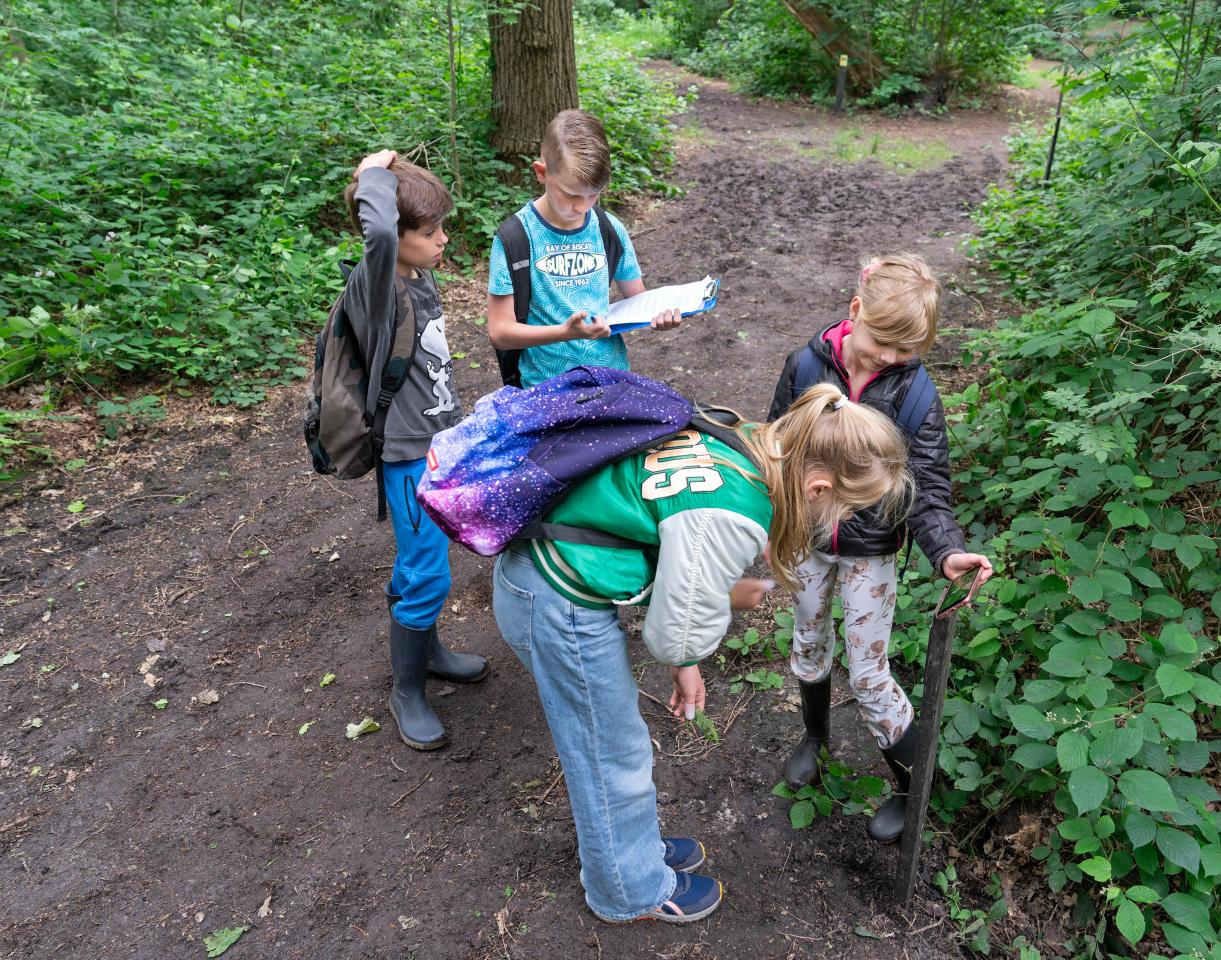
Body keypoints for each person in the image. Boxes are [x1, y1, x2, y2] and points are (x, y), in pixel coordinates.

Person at [490, 384, 912, 923]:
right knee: (608, 752)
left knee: (617, 743)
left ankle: (632, 850)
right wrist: (720, 606)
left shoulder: (746, 437)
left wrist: (698, 625)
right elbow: (674, 635)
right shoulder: (735, 512)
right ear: (818, 486)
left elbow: (673, 538)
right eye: (843, 512)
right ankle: (628, 888)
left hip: (545, 570)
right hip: (556, 602)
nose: (836, 525)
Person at [767, 253, 994, 843]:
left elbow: (929, 489)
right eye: (884, 343)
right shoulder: (804, 365)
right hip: (809, 537)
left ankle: (908, 785)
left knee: (869, 670)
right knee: (808, 638)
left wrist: (946, 552)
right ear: (854, 310)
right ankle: (814, 737)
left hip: (871, 550)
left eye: (907, 350)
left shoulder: (917, 396)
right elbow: (774, 445)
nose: (892, 359)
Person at [342, 149, 488, 751]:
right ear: (392, 238)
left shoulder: (415, 273)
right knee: (427, 568)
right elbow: (376, 226)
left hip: (437, 442)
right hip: (406, 454)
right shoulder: (374, 287)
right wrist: (372, 173)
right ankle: (406, 689)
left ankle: (427, 651)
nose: (443, 241)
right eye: (430, 233)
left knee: (425, 560)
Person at [486, 109, 681, 387]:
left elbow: (637, 301)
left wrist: (660, 316)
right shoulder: (515, 238)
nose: (583, 207)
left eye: (594, 195)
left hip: (612, 379)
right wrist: (566, 332)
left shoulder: (609, 228)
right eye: (572, 195)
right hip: (546, 386)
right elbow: (500, 330)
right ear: (541, 172)